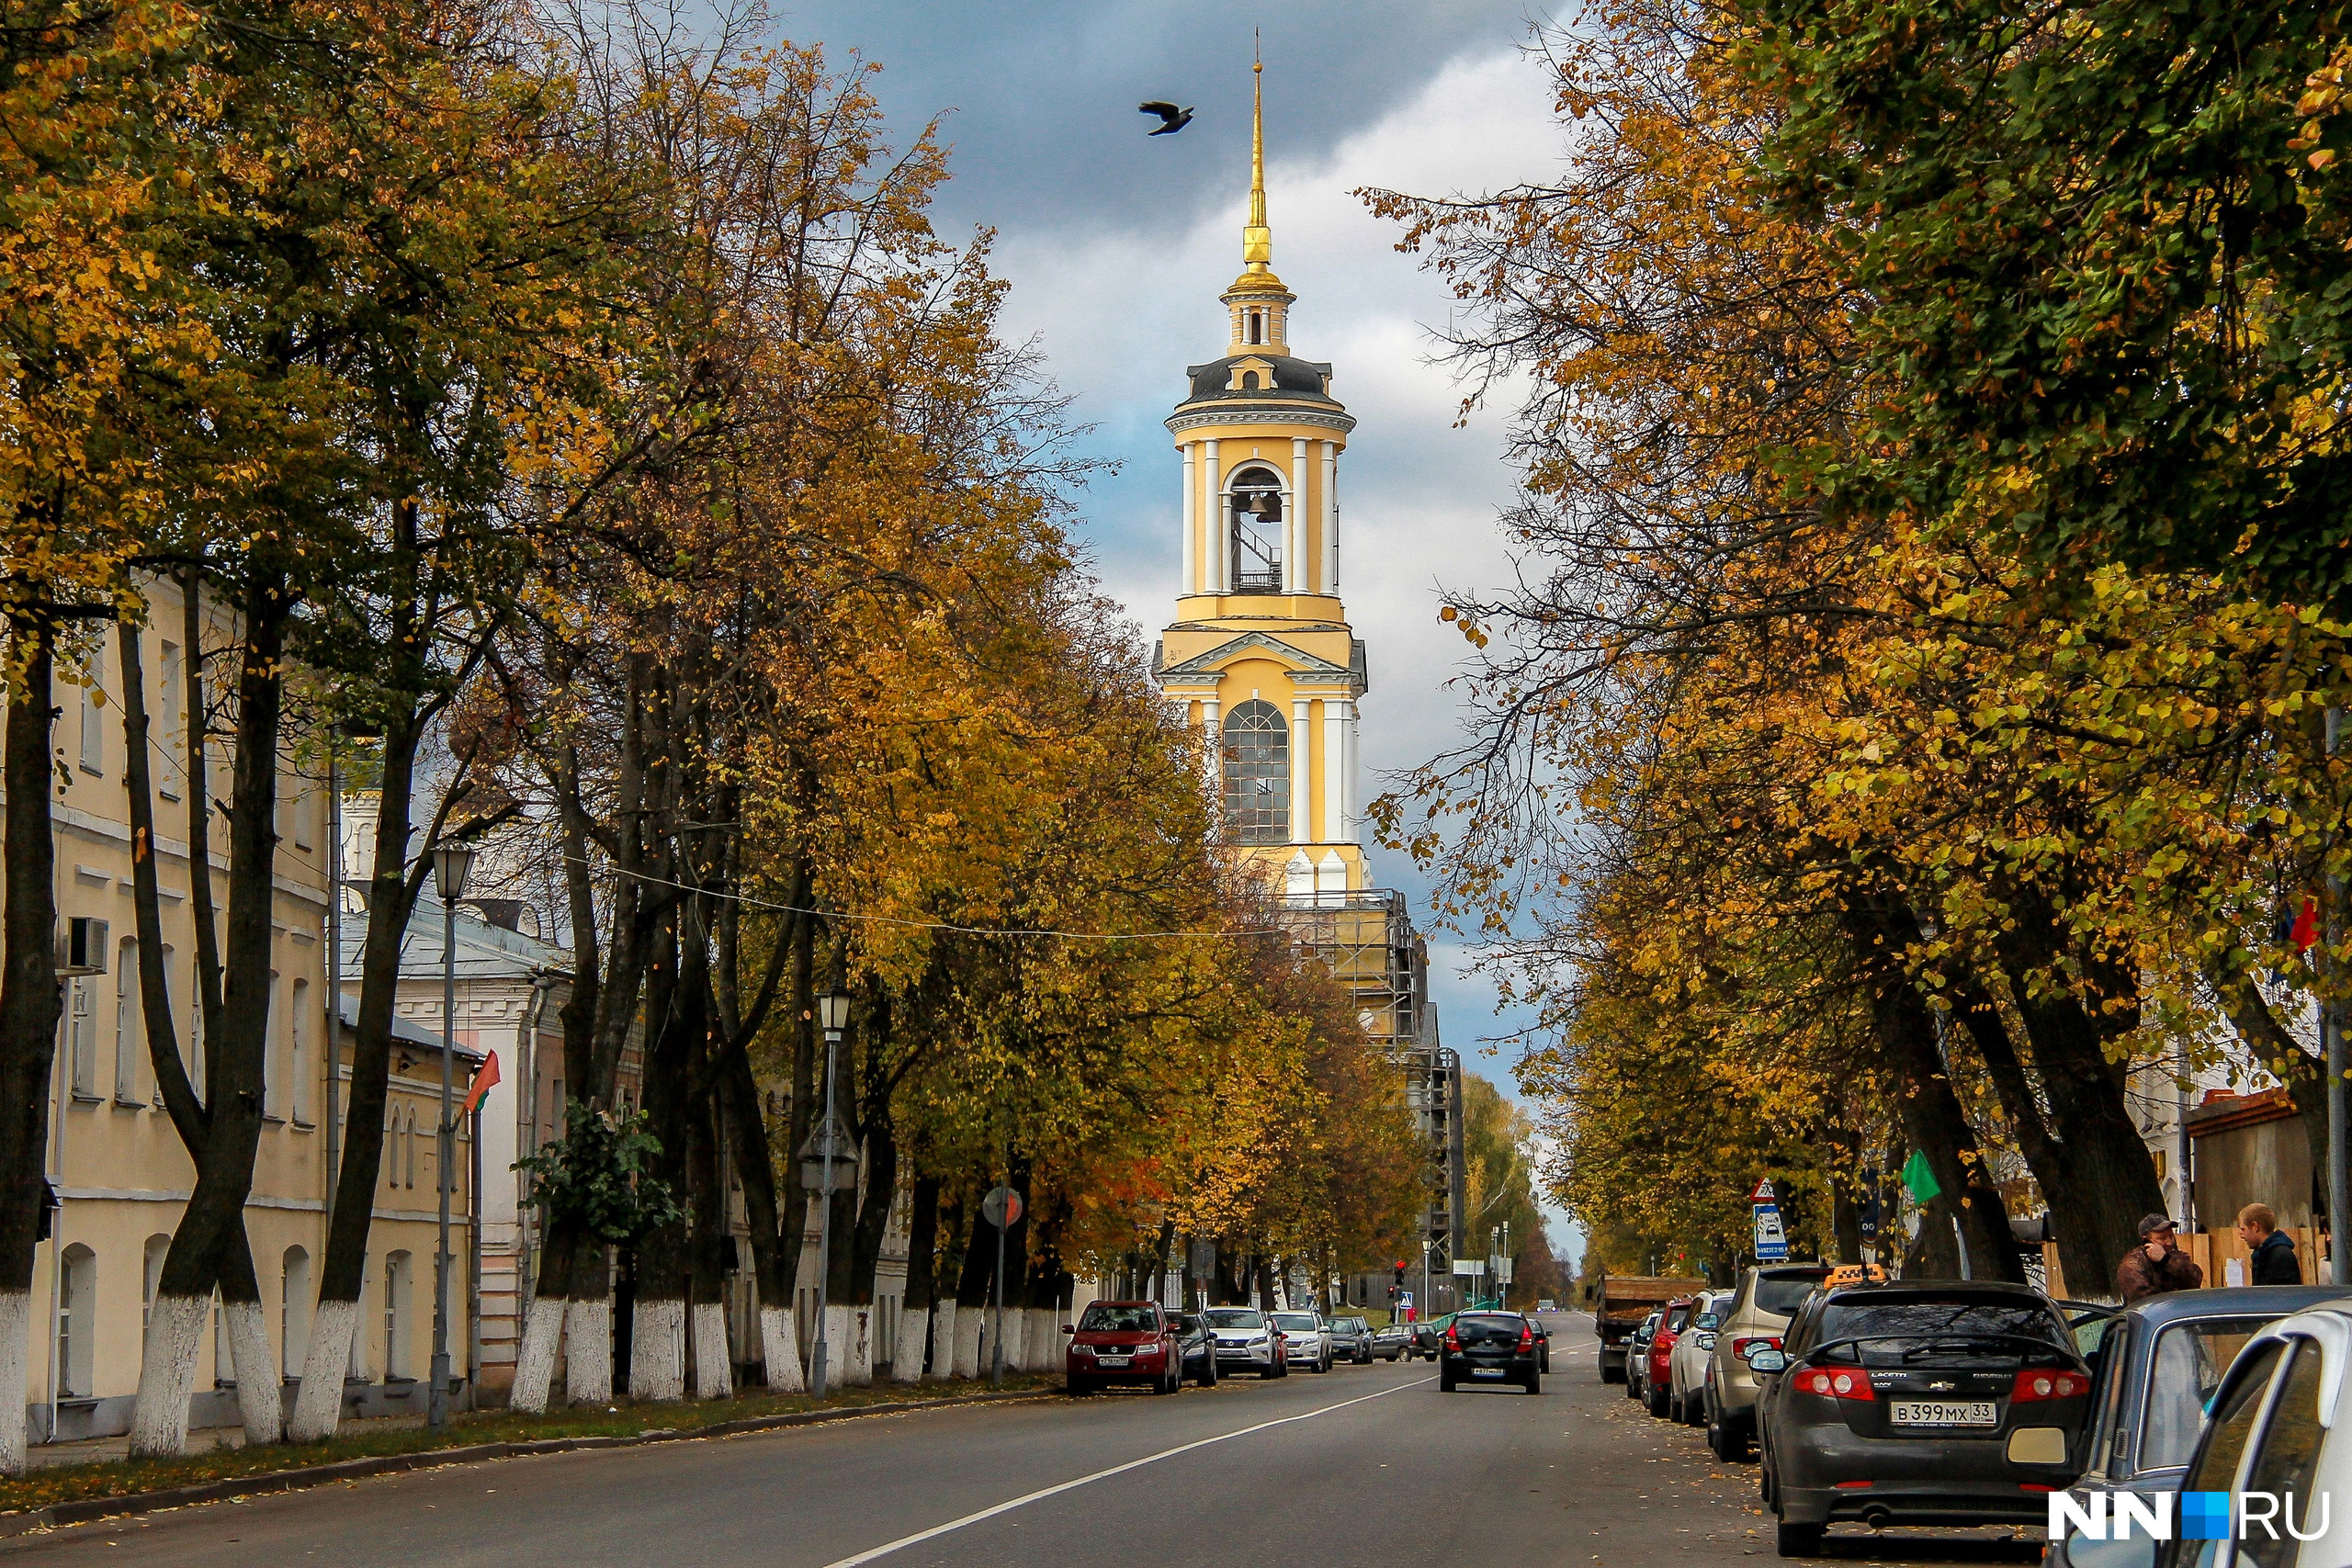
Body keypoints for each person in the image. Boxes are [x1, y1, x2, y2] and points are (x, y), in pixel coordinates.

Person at [2116, 1213, 2205, 1303]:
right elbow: (2145, 1300)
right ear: (2146, 1240)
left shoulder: (2175, 1256)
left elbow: (2195, 1279)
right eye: (2162, 1238)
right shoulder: (2132, 1264)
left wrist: (2165, 1260)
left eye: (2171, 1237)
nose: (2170, 1243)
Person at [2239, 1203, 2302, 1285]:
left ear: (2255, 1227)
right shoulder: (2261, 1255)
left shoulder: (2281, 1255)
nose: (2241, 1235)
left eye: (2243, 1229)